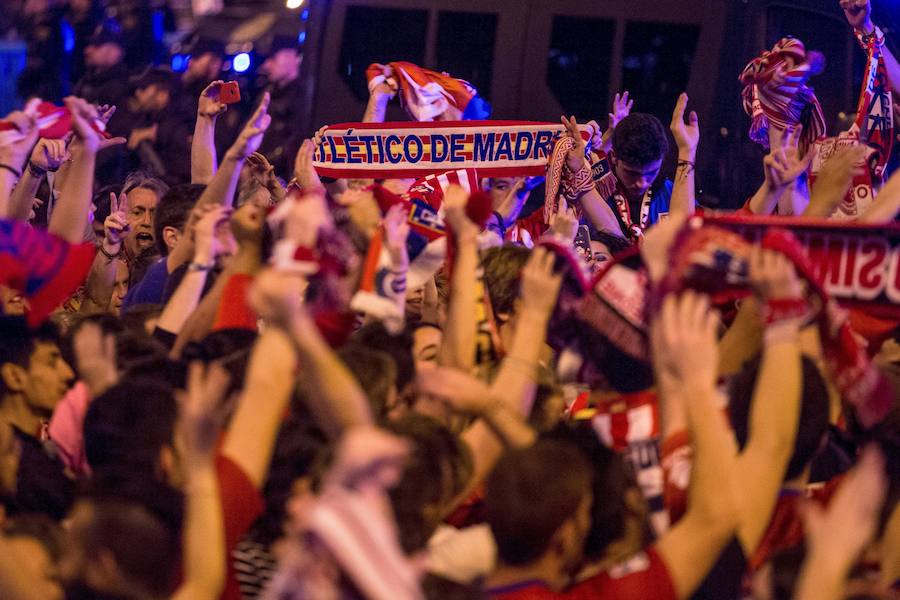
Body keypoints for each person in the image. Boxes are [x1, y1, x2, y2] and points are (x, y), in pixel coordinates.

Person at [255, 35, 303, 180]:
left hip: (285, 179)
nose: (266, 65)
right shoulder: (267, 94)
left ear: (292, 56)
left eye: (273, 58)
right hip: (263, 177)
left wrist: (266, 164)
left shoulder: (305, 97)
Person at [72, 19, 130, 107]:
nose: (87, 50)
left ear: (115, 51)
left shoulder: (122, 89)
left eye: (97, 46)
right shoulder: (87, 79)